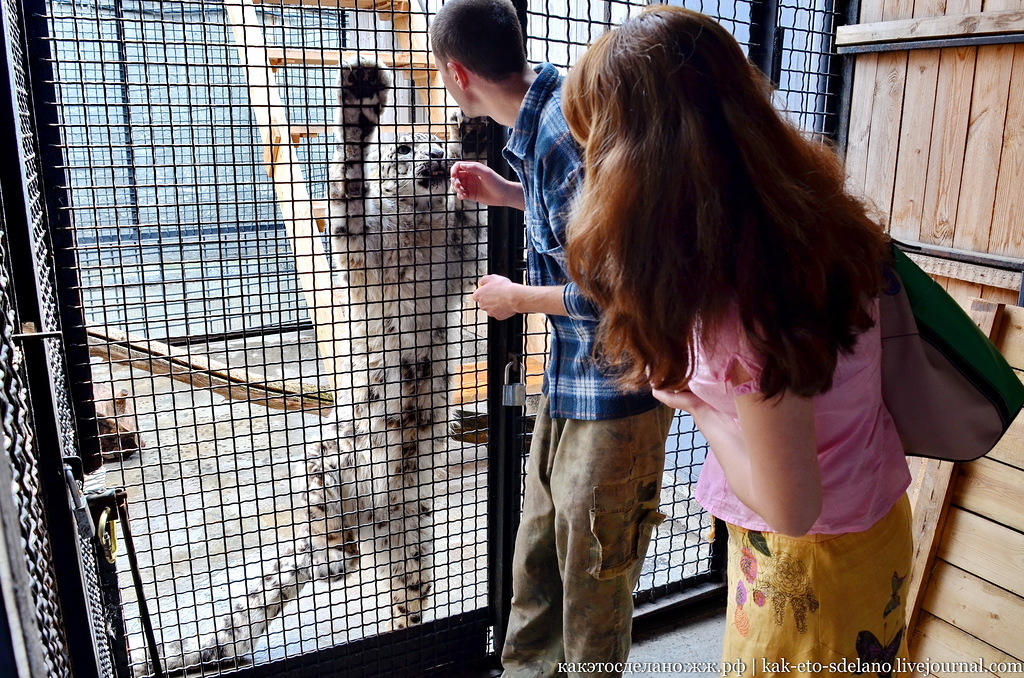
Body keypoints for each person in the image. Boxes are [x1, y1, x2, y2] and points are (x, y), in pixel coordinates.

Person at [560, 6, 913, 676]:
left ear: (638, 164)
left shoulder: (740, 315)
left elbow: (792, 507)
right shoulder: (816, 222)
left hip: (809, 565)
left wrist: (693, 403)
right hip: (876, 521)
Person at [429, 1, 674, 676]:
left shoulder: (566, 129)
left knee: (594, 576)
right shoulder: (539, 120)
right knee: (536, 556)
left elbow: (623, 286)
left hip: (618, 390)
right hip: (569, 382)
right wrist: (507, 193)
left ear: (457, 73)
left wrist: (516, 298)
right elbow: (577, 226)